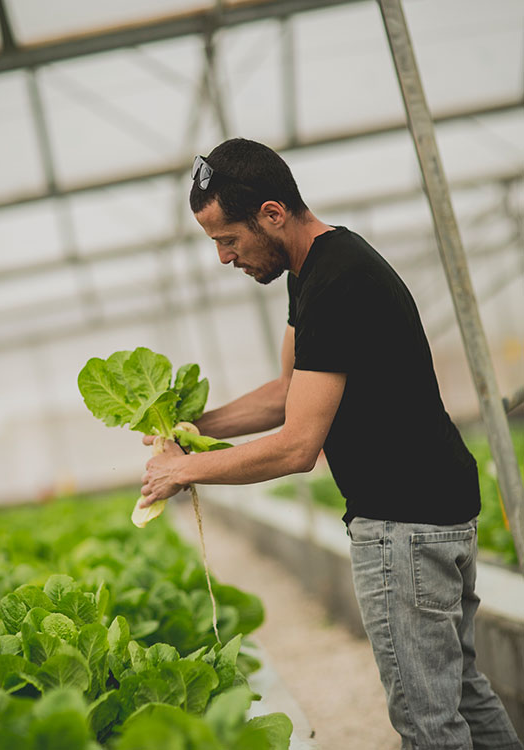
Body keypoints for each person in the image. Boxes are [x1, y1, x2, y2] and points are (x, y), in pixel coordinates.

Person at [140, 138, 523, 750]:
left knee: (428, 720)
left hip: (404, 527)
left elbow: (296, 444)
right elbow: (287, 393)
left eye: (227, 238)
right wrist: (194, 428)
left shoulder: (337, 282)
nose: (222, 257)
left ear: (272, 213)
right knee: (463, 694)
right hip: (436, 512)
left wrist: (184, 474)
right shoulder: (314, 270)